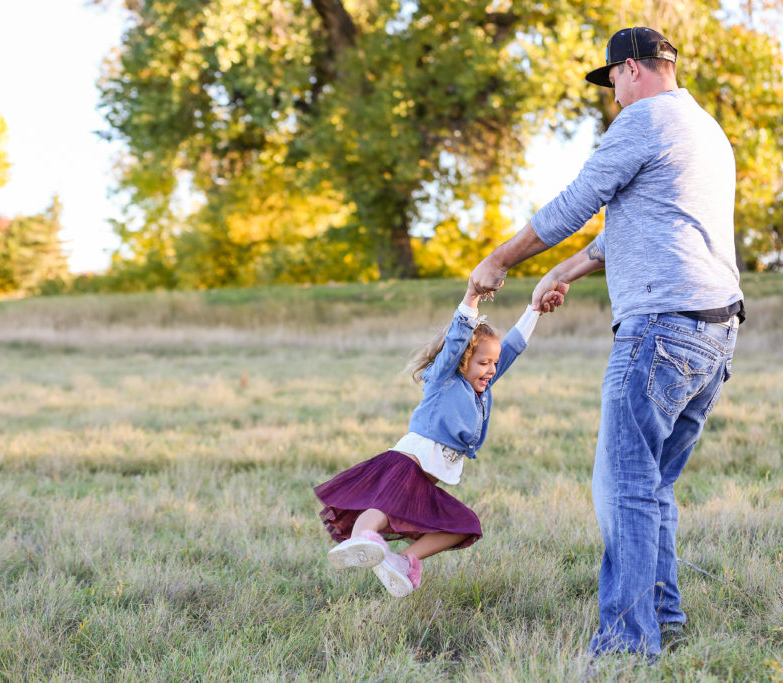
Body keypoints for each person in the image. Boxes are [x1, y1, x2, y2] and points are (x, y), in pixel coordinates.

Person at [469, 27, 744, 658]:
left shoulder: (643, 122)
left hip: (659, 332)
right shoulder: (705, 130)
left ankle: (625, 647)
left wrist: (499, 260)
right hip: (714, 334)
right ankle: (665, 620)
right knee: (652, 485)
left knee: (624, 489)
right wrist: (566, 270)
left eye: (612, 80)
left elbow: (573, 205)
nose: (612, 95)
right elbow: (647, 221)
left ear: (632, 70)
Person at [313, 283, 542, 597]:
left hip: (425, 481)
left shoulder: (482, 386)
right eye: (483, 362)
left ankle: (402, 562)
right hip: (408, 462)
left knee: (463, 525)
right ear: (462, 360)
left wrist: (535, 309)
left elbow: (512, 348)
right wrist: (471, 296)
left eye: (494, 364)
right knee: (383, 507)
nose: (491, 370)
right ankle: (362, 538)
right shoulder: (446, 377)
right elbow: (458, 337)